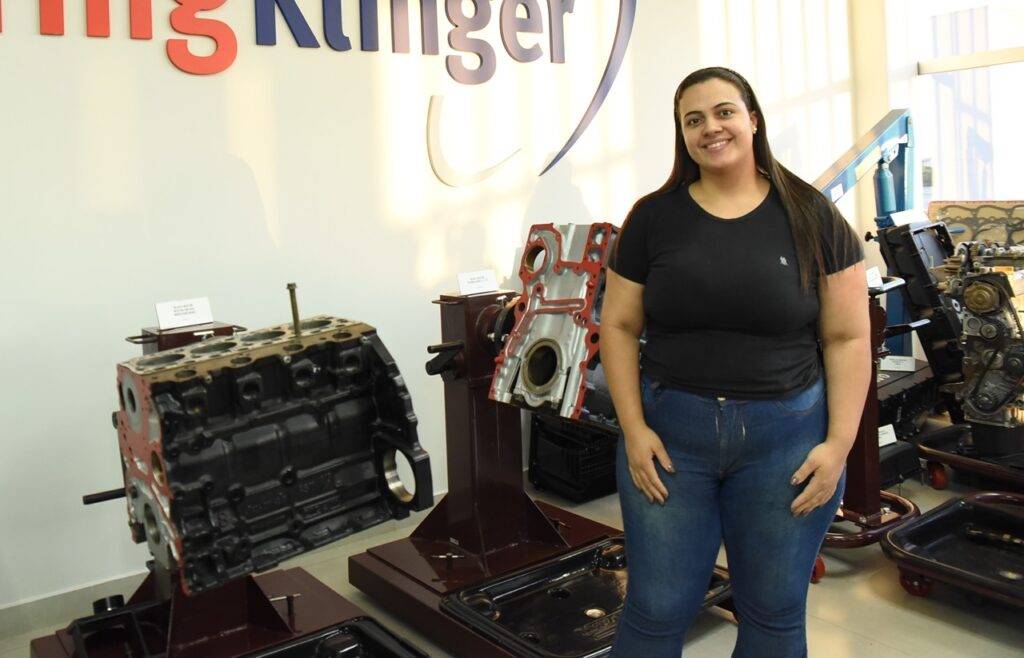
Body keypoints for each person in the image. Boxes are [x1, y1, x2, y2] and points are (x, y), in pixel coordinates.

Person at [601, 66, 870, 657]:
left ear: (752, 120)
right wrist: (633, 428)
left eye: (724, 112)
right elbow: (617, 327)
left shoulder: (811, 215)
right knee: (656, 607)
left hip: (786, 443)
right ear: (681, 134)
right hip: (671, 439)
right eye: (693, 119)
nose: (710, 128)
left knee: (773, 610)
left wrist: (838, 445)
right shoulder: (653, 218)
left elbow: (849, 337)